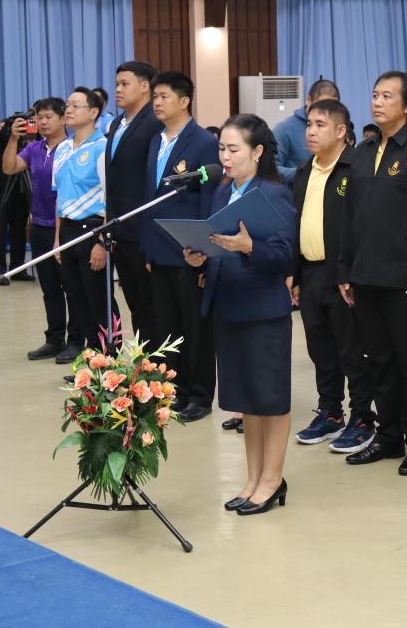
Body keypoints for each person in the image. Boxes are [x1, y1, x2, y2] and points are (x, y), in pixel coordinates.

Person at [183, 114, 298, 515]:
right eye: (222, 149)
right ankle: (252, 479)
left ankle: (272, 480)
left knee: (270, 398)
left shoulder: (273, 194)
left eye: (233, 149)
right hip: (227, 306)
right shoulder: (222, 191)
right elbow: (216, 243)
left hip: (263, 311)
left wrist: (249, 247)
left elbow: (284, 257)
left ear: (258, 151)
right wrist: (199, 257)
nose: (225, 157)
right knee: (246, 401)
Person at [339, 71, 407, 475]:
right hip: (366, 277)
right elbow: (349, 217)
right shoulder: (363, 152)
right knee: (379, 361)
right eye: (374, 94)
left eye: (387, 96)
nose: (377, 101)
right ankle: (388, 437)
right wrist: (346, 270)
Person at [289, 99, 378, 452]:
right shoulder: (303, 170)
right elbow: (296, 224)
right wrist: (294, 274)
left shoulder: (357, 168)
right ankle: (330, 412)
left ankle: (362, 418)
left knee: (352, 350)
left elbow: (364, 227)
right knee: (320, 350)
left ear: (341, 131)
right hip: (310, 272)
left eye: (320, 125)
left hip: (344, 277)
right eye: (309, 124)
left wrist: (352, 273)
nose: (311, 131)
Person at [141, 71, 220, 422]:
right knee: (168, 327)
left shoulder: (202, 141)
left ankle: (200, 396)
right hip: (159, 250)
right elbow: (150, 199)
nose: (157, 103)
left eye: (164, 96)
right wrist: (147, 248)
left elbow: (208, 198)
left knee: (195, 328)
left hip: (189, 252)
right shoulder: (156, 141)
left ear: (184, 101)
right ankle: (177, 391)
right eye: (155, 97)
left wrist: (204, 251)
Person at [3, 98, 85, 363]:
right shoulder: (35, 148)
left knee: (71, 287)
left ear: (63, 119)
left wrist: (60, 236)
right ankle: (54, 339)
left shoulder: (72, 148)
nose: (43, 122)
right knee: (49, 288)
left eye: (49, 117)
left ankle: (76, 341)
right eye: (39, 117)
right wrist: (13, 139)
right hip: (39, 226)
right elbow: (9, 167)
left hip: (67, 227)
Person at [106, 61, 164, 351]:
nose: (118, 89)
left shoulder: (154, 123)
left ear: (144, 86)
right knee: (135, 304)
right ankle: (145, 362)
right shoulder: (116, 124)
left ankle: (159, 365)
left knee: (151, 304)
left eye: (124, 84)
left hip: (142, 230)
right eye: (117, 84)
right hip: (120, 229)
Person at [54, 89, 117, 353]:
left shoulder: (102, 147)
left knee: (99, 300)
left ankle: (111, 358)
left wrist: (102, 241)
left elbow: (112, 198)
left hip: (93, 230)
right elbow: (60, 197)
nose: (68, 110)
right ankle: (92, 360)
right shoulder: (62, 148)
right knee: (77, 299)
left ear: (93, 113)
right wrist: (57, 240)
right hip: (67, 231)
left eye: (75, 106)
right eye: (67, 105)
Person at [0, 114, 32, 284]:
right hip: (0, 183)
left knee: (19, 227)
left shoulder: (32, 129)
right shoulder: (5, 128)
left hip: (22, 184)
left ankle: (18, 269)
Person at [274, 79, 341, 183]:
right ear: (308, 100)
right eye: (322, 105)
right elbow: (271, 170)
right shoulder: (284, 129)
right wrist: (305, 173)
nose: (326, 111)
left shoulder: (338, 129)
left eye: (332, 107)